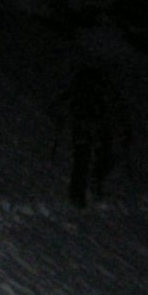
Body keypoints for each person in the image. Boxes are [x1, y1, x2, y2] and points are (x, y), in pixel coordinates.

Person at [50, 64, 132, 208]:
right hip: (91, 129)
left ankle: (81, 192)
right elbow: (110, 108)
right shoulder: (96, 92)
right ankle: (84, 191)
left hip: (84, 129)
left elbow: (64, 102)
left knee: (84, 160)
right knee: (89, 160)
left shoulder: (83, 90)